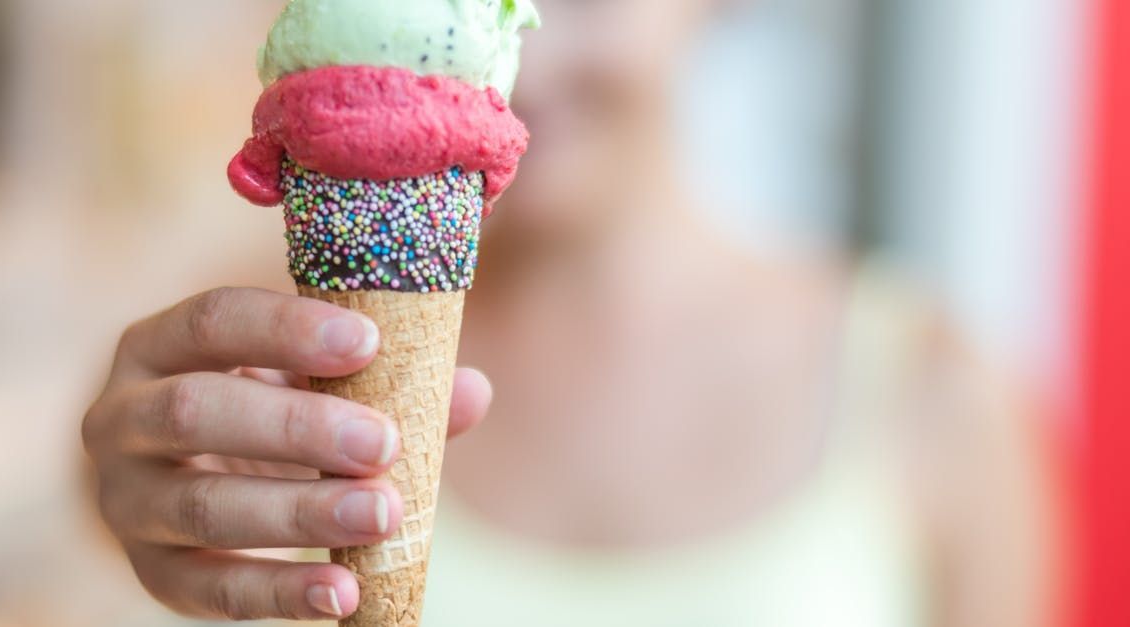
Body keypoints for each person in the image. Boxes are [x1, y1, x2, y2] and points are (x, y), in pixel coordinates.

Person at [83, 0, 1062, 624]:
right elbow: (101, 489)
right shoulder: (267, 358)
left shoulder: (928, 391)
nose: (516, 69)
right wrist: (133, 486)